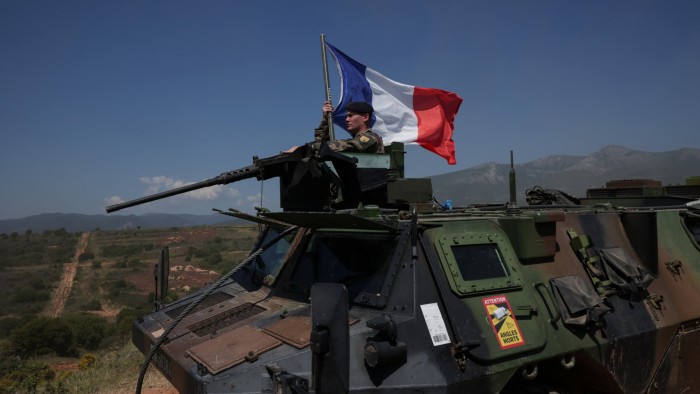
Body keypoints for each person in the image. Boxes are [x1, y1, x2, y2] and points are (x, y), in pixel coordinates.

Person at [286, 101, 384, 154]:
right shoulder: (355, 140)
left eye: (351, 116)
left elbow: (346, 146)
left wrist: (305, 148)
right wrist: (326, 119)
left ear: (365, 117)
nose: (346, 119)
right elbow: (321, 144)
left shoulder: (371, 138)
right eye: (346, 116)